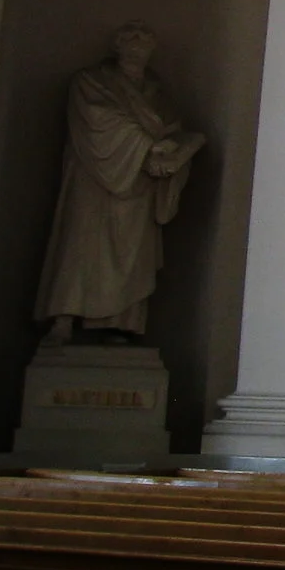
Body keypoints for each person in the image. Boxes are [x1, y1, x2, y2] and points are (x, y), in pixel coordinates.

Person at [34, 24, 203, 343]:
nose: (138, 50)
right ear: (118, 47)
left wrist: (177, 150)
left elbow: (170, 128)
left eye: (145, 44)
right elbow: (98, 120)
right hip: (95, 180)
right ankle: (65, 319)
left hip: (140, 185)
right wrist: (148, 146)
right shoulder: (92, 81)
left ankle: (120, 323)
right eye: (132, 43)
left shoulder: (156, 91)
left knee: (131, 253)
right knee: (81, 247)